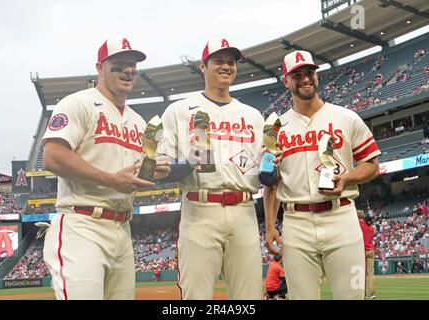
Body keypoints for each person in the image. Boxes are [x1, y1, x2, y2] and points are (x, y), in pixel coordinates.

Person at [41, 37, 170, 300]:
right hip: (82, 224)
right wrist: (111, 180)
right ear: (100, 68)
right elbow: (53, 156)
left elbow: (139, 170)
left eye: (133, 65)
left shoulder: (139, 121)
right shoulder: (78, 103)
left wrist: (154, 171)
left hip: (123, 228)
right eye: (119, 64)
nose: (128, 70)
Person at [262, 50, 381, 300]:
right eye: (297, 75)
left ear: (316, 76)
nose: (305, 79)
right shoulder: (274, 128)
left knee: (352, 297)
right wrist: (271, 225)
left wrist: (347, 177)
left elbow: (372, 164)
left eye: (310, 72)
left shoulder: (345, 117)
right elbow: (270, 183)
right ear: (286, 80)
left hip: (342, 217)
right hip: (296, 222)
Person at [158, 38, 264, 300]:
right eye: (218, 61)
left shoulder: (253, 115)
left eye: (231, 62)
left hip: (244, 211)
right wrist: (184, 166)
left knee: (249, 297)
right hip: (199, 209)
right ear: (202, 67)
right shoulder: (179, 110)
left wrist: (274, 165)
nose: (226, 66)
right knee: (196, 296)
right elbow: (157, 168)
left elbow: (265, 169)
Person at [358, 209, 376, 300]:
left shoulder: (357, 226)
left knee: (362, 274)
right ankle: (372, 293)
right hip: (371, 250)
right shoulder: (371, 228)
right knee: (371, 273)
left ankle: (363, 294)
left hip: (362, 251)